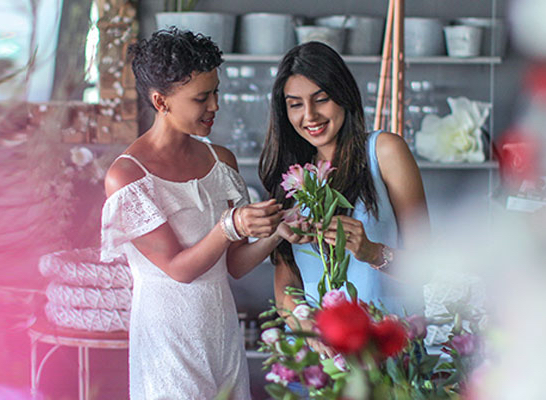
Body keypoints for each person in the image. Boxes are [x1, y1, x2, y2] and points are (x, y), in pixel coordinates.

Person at [99, 28, 309, 400]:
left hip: (221, 329)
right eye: (201, 97)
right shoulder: (128, 175)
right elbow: (180, 269)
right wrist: (230, 225)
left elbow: (235, 264)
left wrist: (278, 230)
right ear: (161, 101)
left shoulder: (221, 161)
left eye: (216, 92)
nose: (215, 106)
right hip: (167, 337)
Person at [259, 42, 431, 348]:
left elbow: (429, 267)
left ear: (344, 96)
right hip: (318, 354)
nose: (309, 115)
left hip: (385, 347)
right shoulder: (291, 176)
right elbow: (286, 278)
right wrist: (304, 325)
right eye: (295, 104)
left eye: (321, 99)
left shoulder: (384, 151)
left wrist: (373, 252)